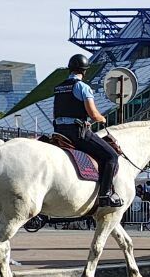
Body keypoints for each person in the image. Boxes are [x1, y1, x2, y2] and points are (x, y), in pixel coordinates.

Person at [53, 53, 123, 208]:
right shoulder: (83, 87)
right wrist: (102, 119)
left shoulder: (58, 88)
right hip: (77, 133)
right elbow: (93, 114)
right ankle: (105, 195)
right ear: (84, 71)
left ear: (70, 69)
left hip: (59, 131)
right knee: (111, 156)